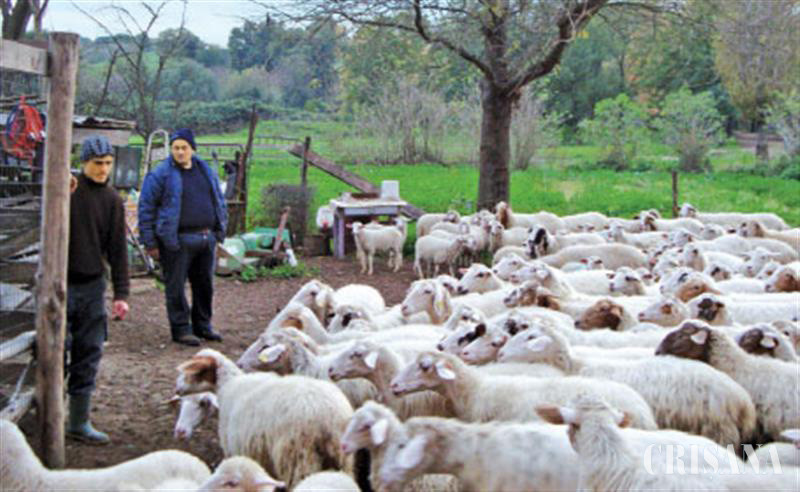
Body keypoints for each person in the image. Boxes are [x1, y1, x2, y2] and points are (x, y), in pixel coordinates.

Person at [66, 136, 130, 444]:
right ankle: (47, 409)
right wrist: (60, 184)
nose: (103, 169)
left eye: (108, 163)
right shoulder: (68, 189)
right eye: (97, 163)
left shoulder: (112, 200)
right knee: (53, 349)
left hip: (92, 285)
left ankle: (78, 421)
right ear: (84, 163)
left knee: (89, 352)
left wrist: (121, 294)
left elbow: (118, 249)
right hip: (61, 284)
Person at [138, 128, 227, 346]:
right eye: (176, 148)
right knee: (175, 287)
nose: (179, 152)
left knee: (205, 285)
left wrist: (219, 230)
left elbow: (219, 199)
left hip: (206, 237)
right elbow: (146, 208)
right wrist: (150, 242)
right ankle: (181, 329)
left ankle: (203, 325)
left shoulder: (205, 170)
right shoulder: (161, 174)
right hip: (176, 240)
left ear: (192, 149)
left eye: (184, 148)